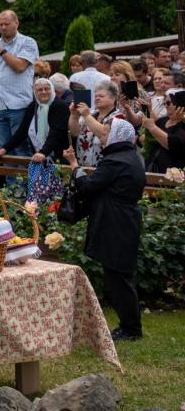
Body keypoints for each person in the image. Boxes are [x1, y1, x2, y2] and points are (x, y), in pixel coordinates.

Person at [63, 119, 146, 341]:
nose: (103, 134)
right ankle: (130, 326)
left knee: (118, 277)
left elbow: (88, 185)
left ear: (118, 135)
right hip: (121, 220)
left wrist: (74, 165)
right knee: (118, 275)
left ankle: (131, 329)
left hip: (116, 222)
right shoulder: (129, 156)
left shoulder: (117, 160)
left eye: (107, 131)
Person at [0, 10, 39, 151]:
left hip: (19, 105)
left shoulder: (27, 42)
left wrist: (1, 50)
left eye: (7, 24)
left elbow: (20, 66)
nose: (3, 27)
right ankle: (10, 174)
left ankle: (23, 174)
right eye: (0, 24)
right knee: (4, 149)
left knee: (21, 147)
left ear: (16, 23)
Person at [0, 77, 71, 161]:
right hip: (40, 156)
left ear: (52, 90)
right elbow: (22, 131)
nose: (44, 92)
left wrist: (43, 152)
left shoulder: (60, 106)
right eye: (40, 90)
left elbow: (56, 133)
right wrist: (4, 149)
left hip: (59, 157)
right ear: (35, 93)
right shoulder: (34, 106)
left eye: (47, 89)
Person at [70, 80, 122, 168]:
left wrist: (86, 115)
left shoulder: (118, 117)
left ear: (113, 98)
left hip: (105, 169)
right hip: (82, 167)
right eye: (96, 96)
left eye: (101, 96)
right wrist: (74, 115)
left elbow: (104, 135)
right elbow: (74, 133)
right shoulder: (91, 113)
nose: (97, 98)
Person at [141, 89, 185, 172]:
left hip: (174, 176)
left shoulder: (183, 124)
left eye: (168, 103)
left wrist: (153, 128)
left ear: (180, 103)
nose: (166, 106)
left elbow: (174, 144)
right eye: (164, 103)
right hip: (152, 169)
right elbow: (142, 140)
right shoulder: (162, 120)